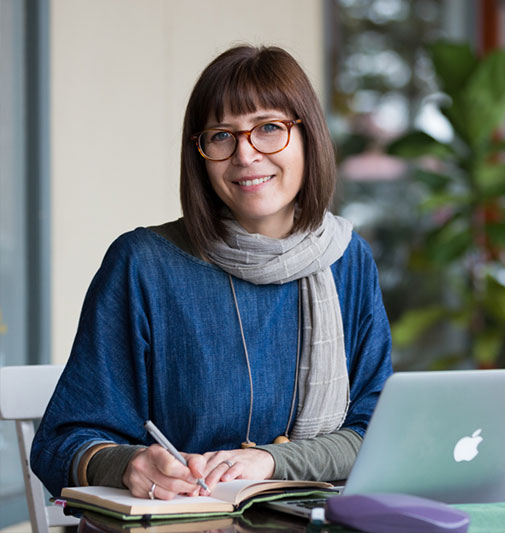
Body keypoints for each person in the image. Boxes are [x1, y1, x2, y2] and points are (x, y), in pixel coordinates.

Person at [31, 45, 393, 501]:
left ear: (309, 137)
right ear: (200, 154)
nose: (245, 155)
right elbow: (58, 445)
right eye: (221, 136)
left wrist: (272, 461)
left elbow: (377, 431)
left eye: (268, 128)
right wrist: (130, 466)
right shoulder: (143, 264)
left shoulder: (347, 259)